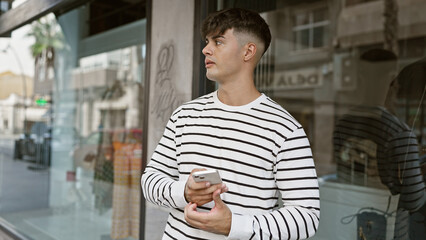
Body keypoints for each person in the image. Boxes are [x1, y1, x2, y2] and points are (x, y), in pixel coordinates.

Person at [141, 8, 320, 240]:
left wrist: (234, 225)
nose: (206, 49)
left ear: (248, 51)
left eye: (218, 41)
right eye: (207, 41)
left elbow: (307, 217)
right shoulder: (184, 115)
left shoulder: (285, 129)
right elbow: (150, 180)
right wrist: (184, 191)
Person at [333, 49, 426, 239]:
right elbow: (415, 200)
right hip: (385, 229)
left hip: (345, 220)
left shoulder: (343, 123)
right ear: (393, 81)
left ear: (359, 79)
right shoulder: (400, 133)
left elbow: (342, 175)